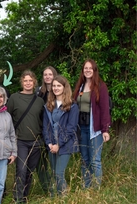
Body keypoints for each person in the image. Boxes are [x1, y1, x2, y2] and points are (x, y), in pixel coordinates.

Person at [7, 70, 44, 204]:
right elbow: (7, 118)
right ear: (21, 82)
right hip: (20, 140)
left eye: (30, 80)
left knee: (29, 170)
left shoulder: (39, 101)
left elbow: (42, 120)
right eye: (25, 80)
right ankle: (17, 198)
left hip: (36, 141)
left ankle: (25, 196)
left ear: (34, 82)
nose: (28, 83)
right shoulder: (14, 98)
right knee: (21, 169)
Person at [73, 59, 111, 189]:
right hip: (81, 128)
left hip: (95, 128)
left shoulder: (101, 86)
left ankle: (96, 189)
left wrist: (105, 129)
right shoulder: (80, 86)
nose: (87, 70)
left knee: (95, 161)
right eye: (85, 68)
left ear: (94, 70)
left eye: (90, 68)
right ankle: (86, 187)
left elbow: (105, 109)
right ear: (83, 71)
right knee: (85, 160)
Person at [42, 75, 79, 196]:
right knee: (53, 173)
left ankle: (64, 198)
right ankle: (55, 198)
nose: (56, 88)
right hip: (52, 145)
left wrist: (59, 144)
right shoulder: (48, 105)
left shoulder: (72, 106)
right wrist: (49, 143)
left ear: (64, 87)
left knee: (59, 172)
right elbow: (46, 126)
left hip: (65, 145)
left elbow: (71, 128)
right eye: (54, 86)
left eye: (59, 86)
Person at [35, 66, 58, 194]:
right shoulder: (39, 92)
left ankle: (57, 187)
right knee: (40, 163)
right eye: (45, 75)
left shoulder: (58, 91)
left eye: (50, 74)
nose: (48, 76)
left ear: (54, 75)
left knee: (54, 163)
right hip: (40, 132)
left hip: (54, 133)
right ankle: (47, 187)